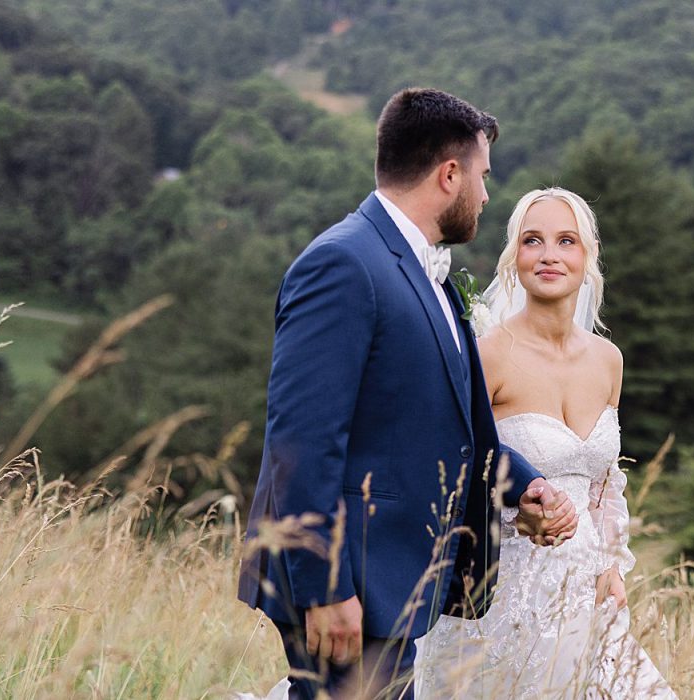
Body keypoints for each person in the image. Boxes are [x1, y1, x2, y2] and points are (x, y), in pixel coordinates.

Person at [236, 88, 581, 700]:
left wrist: (523, 482)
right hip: (348, 581)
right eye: (482, 176)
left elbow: (451, 427)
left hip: (392, 580)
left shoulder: (432, 278)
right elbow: (301, 442)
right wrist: (325, 588)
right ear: (450, 174)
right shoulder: (343, 264)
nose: (486, 194)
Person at [414, 188, 676, 698]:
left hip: (588, 596)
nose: (549, 255)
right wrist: (514, 513)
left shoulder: (608, 360)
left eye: (566, 241)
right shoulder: (486, 355)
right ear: (514, 257)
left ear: (589, 256)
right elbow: (452, 470)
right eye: (533, 241)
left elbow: (604, 484)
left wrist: (611, 565)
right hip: (498, 595)